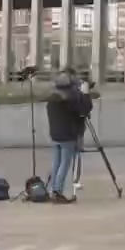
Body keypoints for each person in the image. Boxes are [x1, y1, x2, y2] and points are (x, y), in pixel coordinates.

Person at [44, 69, 91, 203]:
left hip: (55, 135)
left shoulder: (52, 98)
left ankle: (53, 190)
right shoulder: (71, 99)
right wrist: (85, 94)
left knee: (56, 164)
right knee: (64, 164)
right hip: (68, 136)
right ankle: (58, 191)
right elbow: (85, 109)